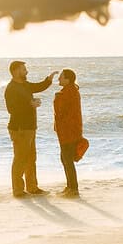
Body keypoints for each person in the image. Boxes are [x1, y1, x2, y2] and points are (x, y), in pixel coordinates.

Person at [4, 61, 58, 198]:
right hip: (19, 129)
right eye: (24, 69)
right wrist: (31, 105)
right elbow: (12, 110)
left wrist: (48, 80)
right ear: (16, 71)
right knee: (20, 159)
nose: (26, 72)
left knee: (31, 158)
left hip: (30, 127)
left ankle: (32, 188)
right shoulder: (11, 88)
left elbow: (38, 86)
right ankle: (18, 190)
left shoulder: (25, 85)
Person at [53, 68, 83, 198]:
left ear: (68, 79)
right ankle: (70, 186)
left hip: (69, 131)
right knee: (65, 159)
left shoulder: (69, 91)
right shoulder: (70, 90)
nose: (58, 79)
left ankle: (73, 188)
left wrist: (57, 97)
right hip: (68, 130)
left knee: (67, 160)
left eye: (61, 77)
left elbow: (61, 110)